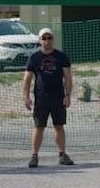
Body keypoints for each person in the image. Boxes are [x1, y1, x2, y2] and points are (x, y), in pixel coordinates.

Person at [23, 27, 73, 168]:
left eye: (49, 38)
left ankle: (62, 154)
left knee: (59, 126)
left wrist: (68, 95)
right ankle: (34, 156)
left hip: (58, 97)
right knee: (39, 127)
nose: (47, 41)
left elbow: (68, 77)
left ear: (53, 39)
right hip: (41, 98)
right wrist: (26, 97)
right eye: (43, 38)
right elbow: (27, 79)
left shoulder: (61, 56)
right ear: (40, 40)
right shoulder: (34, 57)